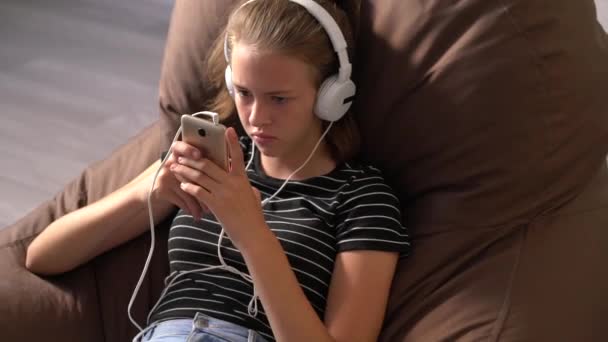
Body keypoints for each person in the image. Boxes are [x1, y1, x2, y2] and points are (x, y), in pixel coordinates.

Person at [25, 0, 410, 341]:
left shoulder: (363, 198)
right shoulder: (209, 159)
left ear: (331, 96)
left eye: (279, 99)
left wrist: (252, 233)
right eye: (244, 92)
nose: (257, 118)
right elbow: (42, 256)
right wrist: (148, 193)